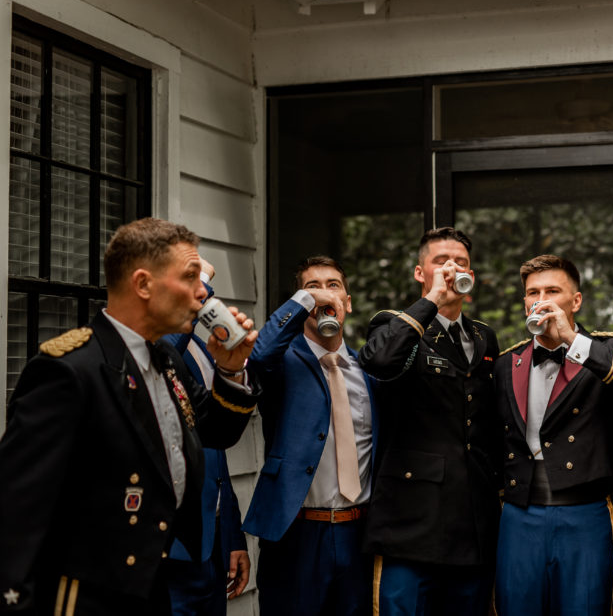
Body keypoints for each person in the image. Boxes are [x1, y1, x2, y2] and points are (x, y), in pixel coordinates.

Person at [0, 217, 259, 616]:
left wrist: (230, 370)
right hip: (83, 599)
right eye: (190, 276)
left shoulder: (166, 359)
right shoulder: (69, 371)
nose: (202, 291)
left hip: (150, 588)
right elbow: (15, 515)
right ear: (143, 284)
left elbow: (217, 431)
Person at [494, 254, 613, 616]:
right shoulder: (507, 362)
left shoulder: (607, 350)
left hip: (583, 513)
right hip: (519, 515)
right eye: (533, 292)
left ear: (576, 301)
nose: (541, 300)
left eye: (552, 291)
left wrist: (571, 338)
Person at [358, 227, 500, 616]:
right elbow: (379, 361)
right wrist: (433, 299)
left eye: (461, 263)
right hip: (410, 522)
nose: (452, 269)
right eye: (441, 262)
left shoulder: (484, 337)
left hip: (472, 522)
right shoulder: (395, 324)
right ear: (420, 272)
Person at [243, 256, 377, 616]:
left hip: (359, 534)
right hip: (297, 535)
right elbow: (258, 356)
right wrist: (305, 302)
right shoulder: (281, 362)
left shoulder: (367, 370)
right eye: (311, 286)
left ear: (348, 302)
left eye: (333, 285)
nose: (324, 293)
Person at [165, 260, 252, 615]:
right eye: (191, 283)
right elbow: (162, 344)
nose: (201, 294)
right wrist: (202, 276)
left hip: (212, 542)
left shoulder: (201, 349)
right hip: (171, 548)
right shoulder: (158, 351)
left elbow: (216, 447)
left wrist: (232, 535)